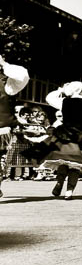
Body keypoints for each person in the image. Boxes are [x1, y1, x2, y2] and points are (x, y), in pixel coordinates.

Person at [26, 82, 82, 200]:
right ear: (81, 90)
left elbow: (49, 98)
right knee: (76, 165)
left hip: (65, 136)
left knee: (64, 162)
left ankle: (59, 182)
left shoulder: (63, 102)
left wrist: (61, 90)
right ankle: (69, 191)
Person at [0, 54, 29, 198]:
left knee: (0, 160)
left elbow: (23, 76)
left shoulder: (7, 82)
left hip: (1, 128)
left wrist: (4, 64)